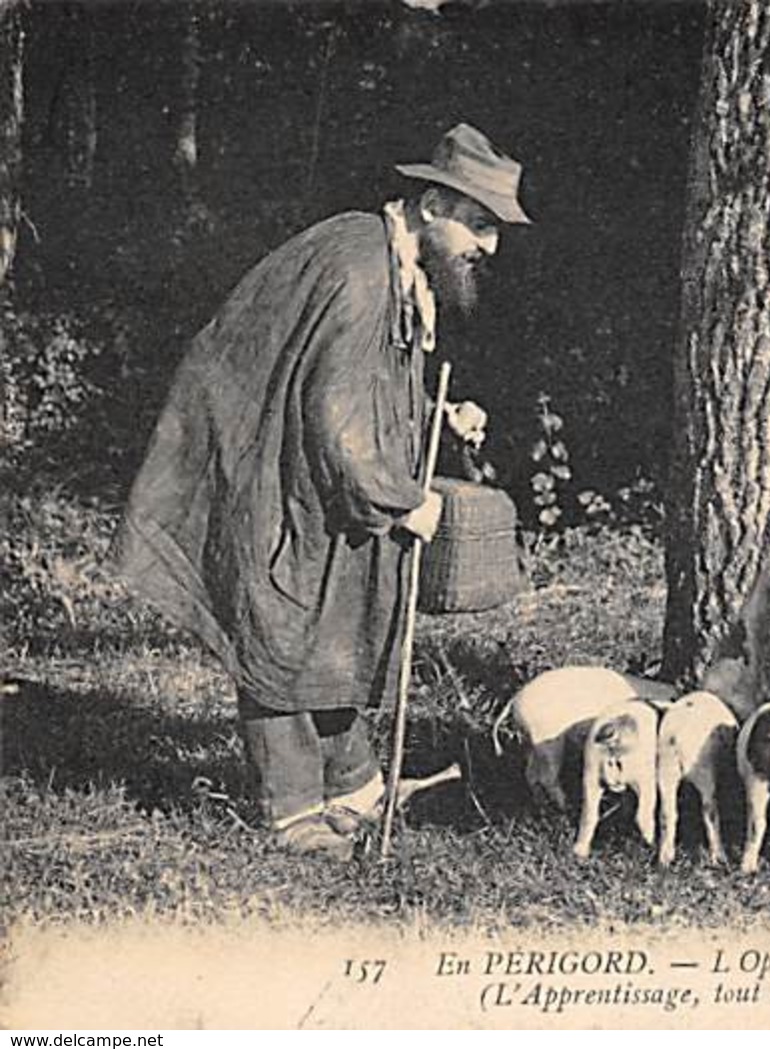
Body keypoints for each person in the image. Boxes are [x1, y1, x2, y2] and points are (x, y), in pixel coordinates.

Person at [115, 123, 531, 859]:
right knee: (283, 621)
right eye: (480, 225)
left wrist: (434, 412)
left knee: (339, 610)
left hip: (306, 461)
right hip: (260, 460)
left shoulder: (385, 253)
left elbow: (359, 384)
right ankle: (292, 809)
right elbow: (335, 419)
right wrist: (406, 500)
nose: (490, 247)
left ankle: (356, 784)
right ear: (433, 204)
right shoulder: (361, 273)